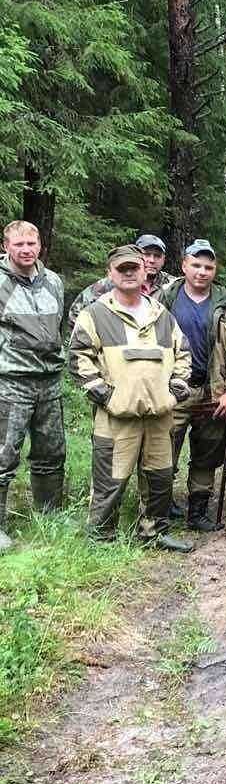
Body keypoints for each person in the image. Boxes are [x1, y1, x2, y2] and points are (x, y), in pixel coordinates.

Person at [68, 245, 194, 552]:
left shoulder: (161, 314)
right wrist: (106, 396)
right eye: (121, 269)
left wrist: (174, 389)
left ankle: (154, 533)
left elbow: (183, 355)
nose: (128, 273)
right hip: (115, 418)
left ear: (144, 271)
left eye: (133, 268)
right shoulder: (95, 313)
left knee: (160, 477)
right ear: (110, 273)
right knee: (110, 480)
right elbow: (77, 358)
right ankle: (101, 537)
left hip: (159, 416)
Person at [158, 239, 226, 531]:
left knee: (207, 454)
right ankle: (159, 511)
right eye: (196, 265)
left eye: (208, 266)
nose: (202, 271)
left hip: (213, 393)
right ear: (184, 265)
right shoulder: (164, 299)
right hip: (173, 391)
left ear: (214, 269)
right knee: (162, 451)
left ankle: (197, 512)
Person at [0, 220, 67, 551]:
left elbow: (58, 326)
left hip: (50, 381)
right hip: (12, 381)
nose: (26, 250)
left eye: (31, 244)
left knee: (52, 451)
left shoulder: (53, 281)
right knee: (4, 454)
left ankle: (50, 511)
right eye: (18, 244)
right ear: (6, 247)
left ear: (40, 245)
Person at [68, 233, 177, 332]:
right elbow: (76, 313)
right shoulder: (113, 282)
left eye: (157, 256)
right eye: (147, 254)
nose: (151, 260)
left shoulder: (172, 285)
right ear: (136, 256)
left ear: (163, 259)